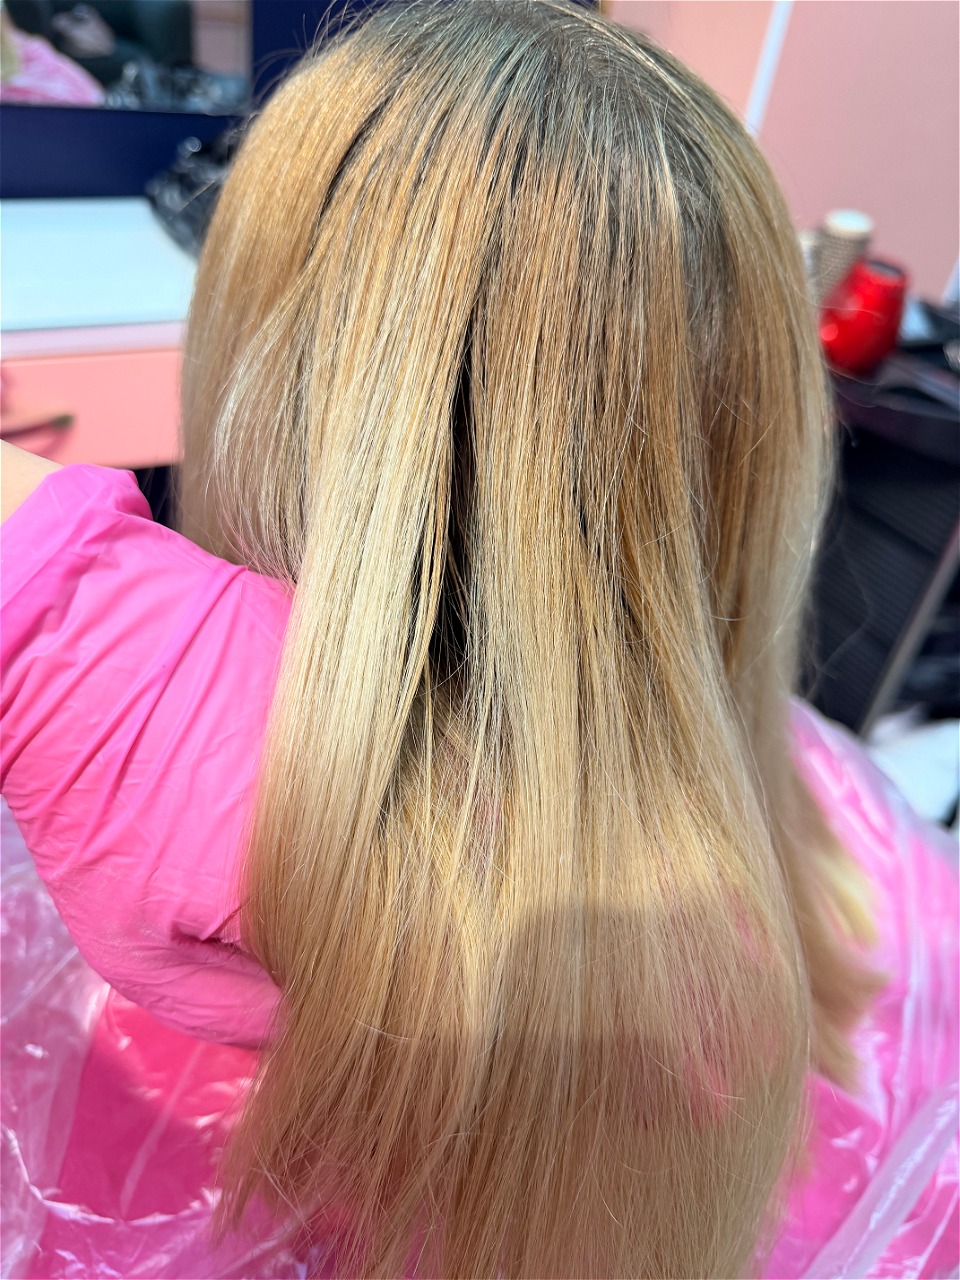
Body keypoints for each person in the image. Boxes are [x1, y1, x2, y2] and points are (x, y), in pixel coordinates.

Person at [1, 3, 956, 1277]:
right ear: (748, 444)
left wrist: (63, 619)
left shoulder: (179, 881)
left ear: (268, 370)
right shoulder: (884, 882)